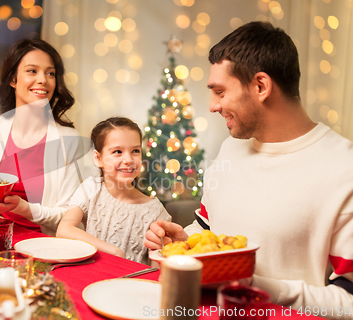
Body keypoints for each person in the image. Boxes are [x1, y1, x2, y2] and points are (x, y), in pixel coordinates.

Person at [145, 21, 353, 318]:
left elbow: (349, 301)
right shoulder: (231, 148)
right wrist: (186, 243)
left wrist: (257, 288)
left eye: (220, 91)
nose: (212, 106)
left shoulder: (345, 170)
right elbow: (206, 229)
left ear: (260, 86)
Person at [0, 39, 91, 236]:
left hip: (45, 247)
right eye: (32, 71)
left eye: (50, 73)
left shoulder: (69, 142)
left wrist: (22, 208)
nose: (43, 79)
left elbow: (72, 218)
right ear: (13, 79)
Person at [57, 117, 171, 264]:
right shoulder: (91, 188)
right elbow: (64, 230)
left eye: (135, 150)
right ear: (98, 158)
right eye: (118, 151)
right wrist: (114, 251)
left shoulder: (155, 211)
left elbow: (157, 270)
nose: (128, 159)